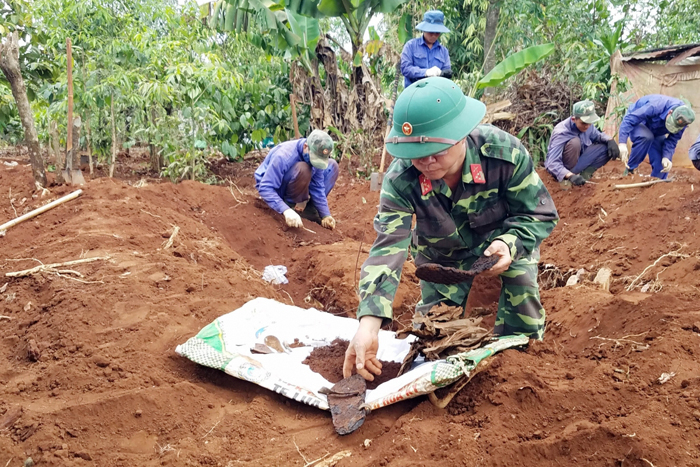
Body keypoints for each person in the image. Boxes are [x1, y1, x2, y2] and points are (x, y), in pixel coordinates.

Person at [342, 77, 559, 381]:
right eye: (418, 153)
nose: (427, 162)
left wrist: (510, 244)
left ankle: (519, 377)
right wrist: (368, 325)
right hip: (442, 261)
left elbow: (539, 213)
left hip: (500, 251)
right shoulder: (401, 178)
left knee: (520, 318)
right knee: (431, 346)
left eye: (437, 150)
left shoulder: (503, 154)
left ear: (462, 135)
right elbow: (388, 247)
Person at [254, 130, 338, 230]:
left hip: (295, 180)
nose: (316, 163)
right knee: (304, 169)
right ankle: (287, 206)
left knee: (332, 167)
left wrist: (325, 215)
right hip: (276, 188)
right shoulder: (283, 156)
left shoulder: (316, 154)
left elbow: (317, 186)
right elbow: (265, 187)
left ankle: (310, 211)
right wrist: (286, 210)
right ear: (305, 147)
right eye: (314, 159)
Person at [617, 95, 695, 179]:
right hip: (639, 122)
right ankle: (630, 170)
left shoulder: (683, 122)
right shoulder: (656, 106)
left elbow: (672, 141)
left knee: (663, 164)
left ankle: (656, 182)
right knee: (646, 137)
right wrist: (622, 143)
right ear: (670, 112)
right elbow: (630, 119)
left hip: (656, 131)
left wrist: (666, 157)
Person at [545, 100, 619, 186]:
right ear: (573, 119)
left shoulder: (587, 126)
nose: (587, 126)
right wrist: (570, 175)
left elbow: (597, 135)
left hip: (580, 161)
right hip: (564, 169)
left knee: (605, 147)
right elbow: (552, 163)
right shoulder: (561, 132)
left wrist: (610, 140)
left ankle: (584, 177)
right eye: (584, 123)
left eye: (589, 123)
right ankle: (566, 181)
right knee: (575, 142)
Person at [400, 10, 452, 89]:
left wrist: (442, 73)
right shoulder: (410, 46)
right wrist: (425, 72)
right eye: (431, 32)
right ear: (424, 29)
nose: (434, 36)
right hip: (413, 94)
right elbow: (405, 69)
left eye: (437, 33)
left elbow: (447, 73)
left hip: (435, 95)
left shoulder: (443, 52)